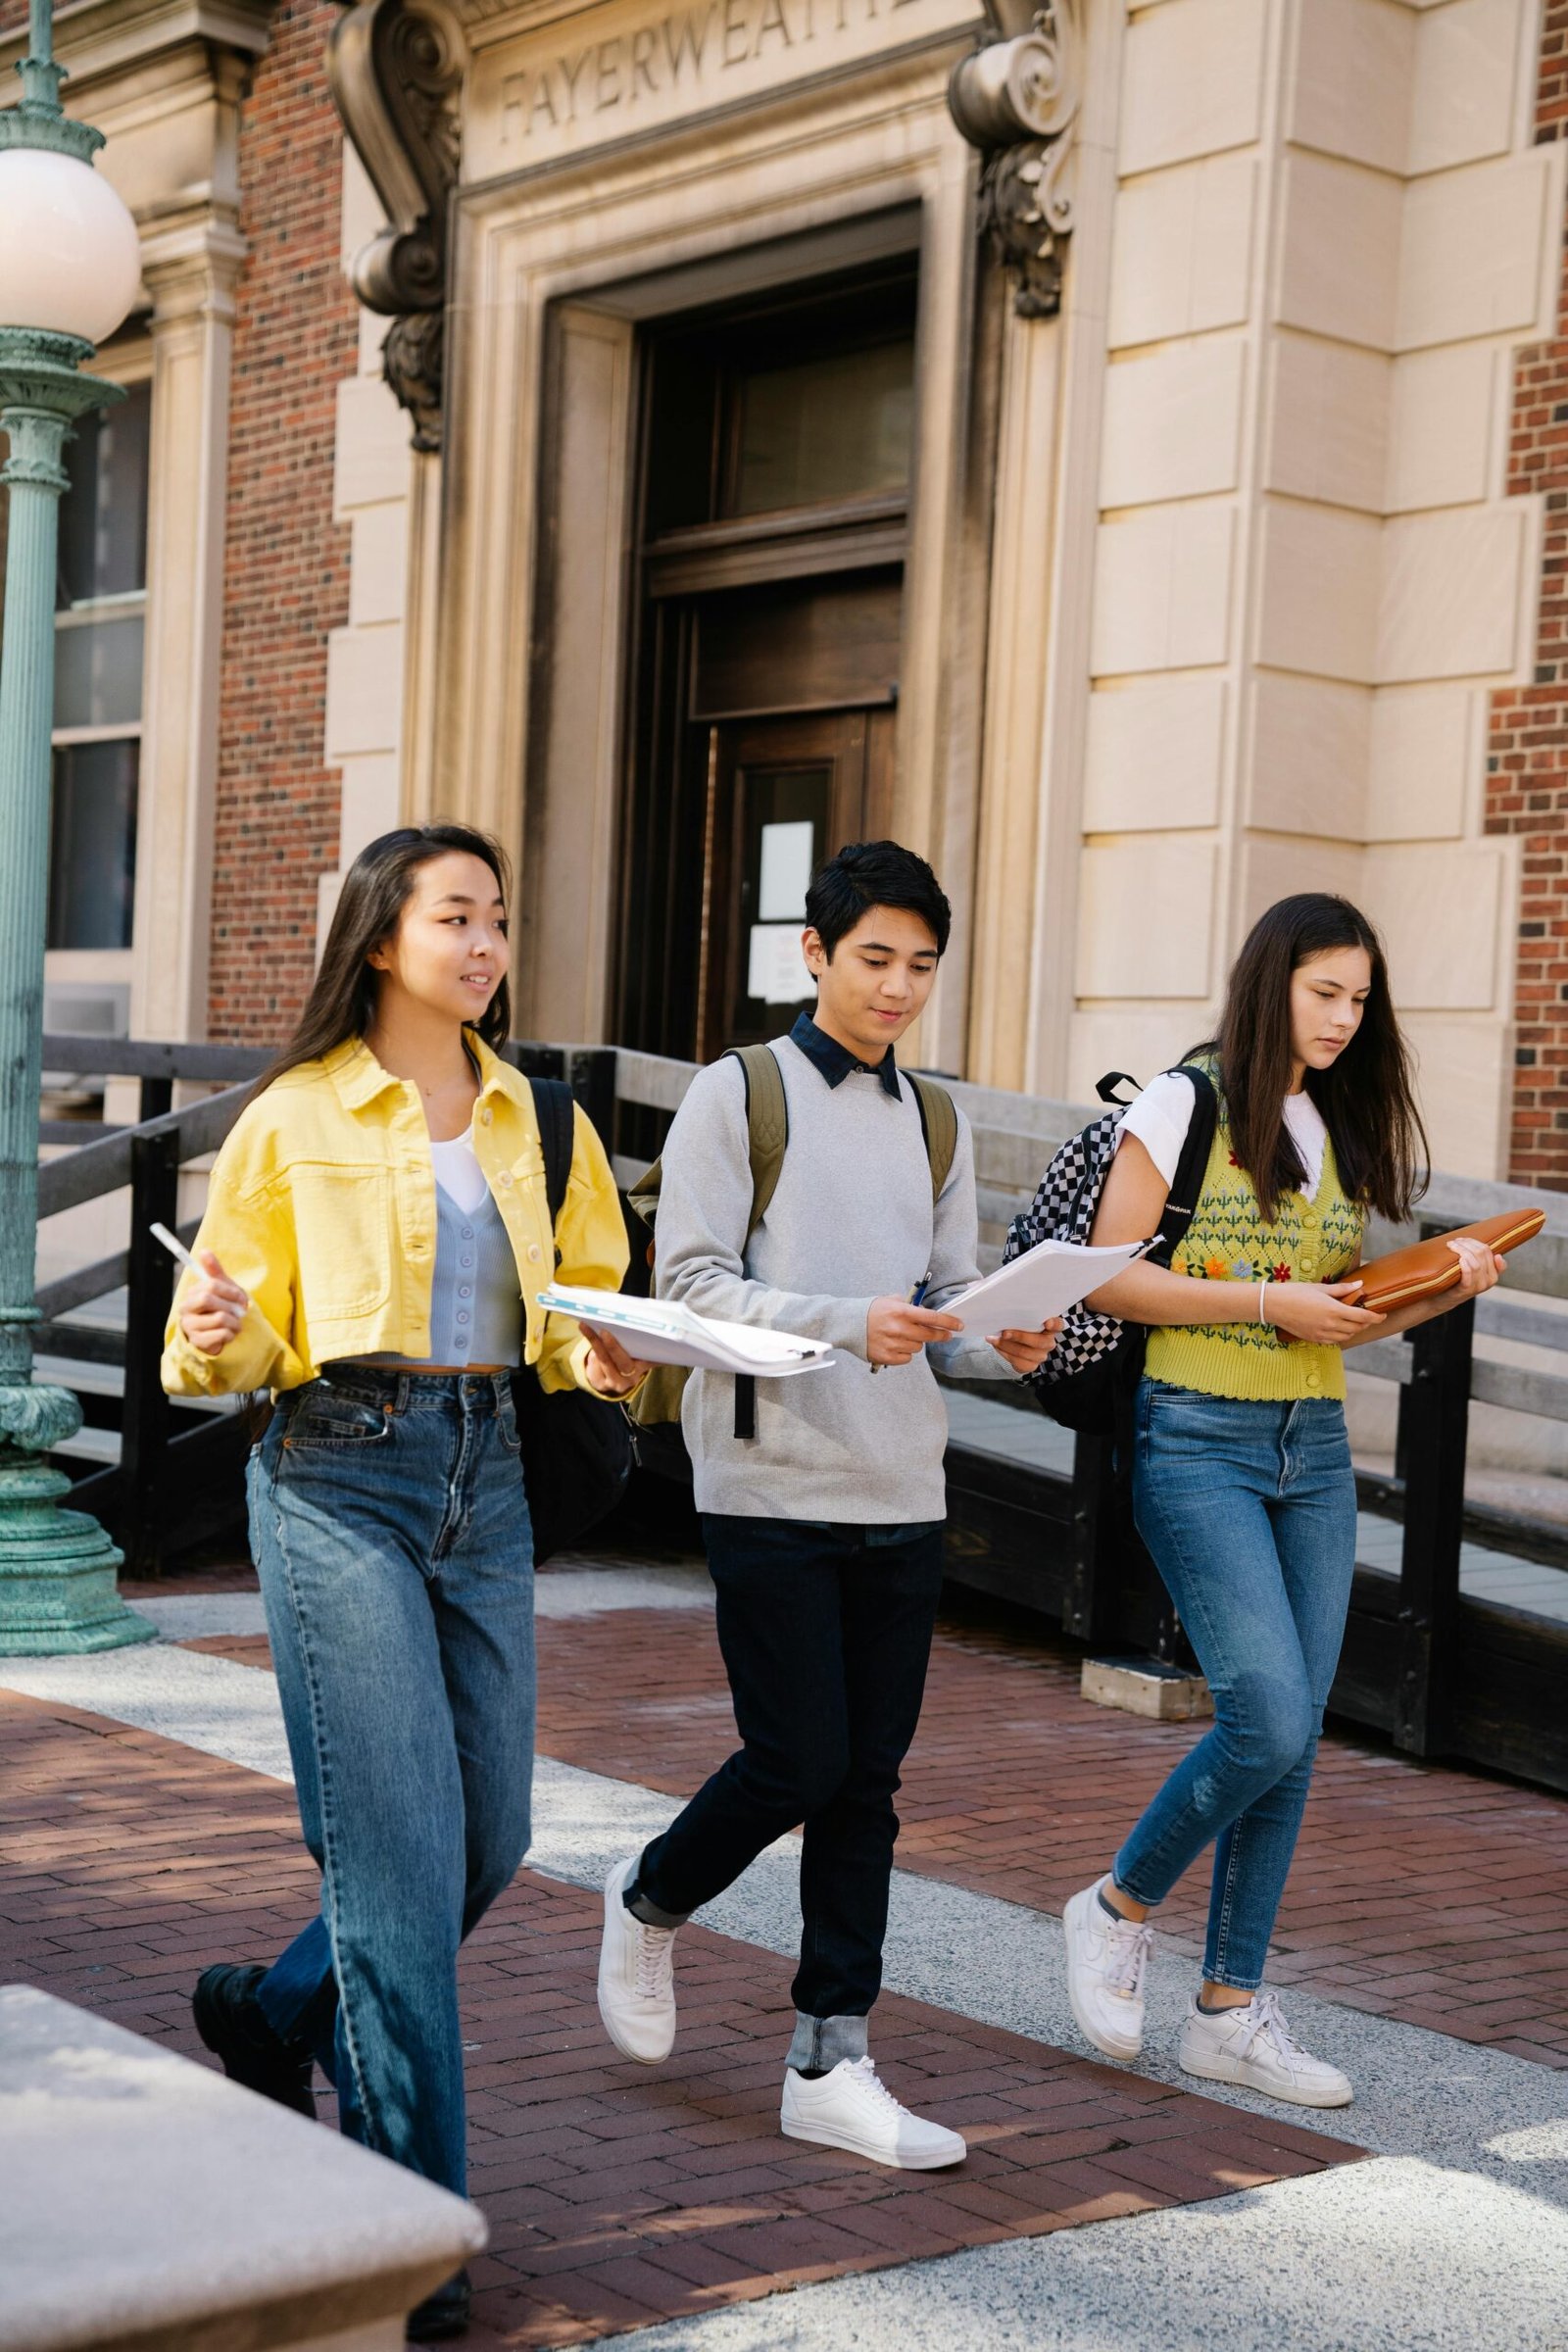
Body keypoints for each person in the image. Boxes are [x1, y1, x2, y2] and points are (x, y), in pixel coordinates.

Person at [161, 823, 650, 2342]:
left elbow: (580, 1307)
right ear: (384, 938)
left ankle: (276, 2008)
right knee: (393, 1856)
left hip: (484, 1472)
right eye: (457, 916)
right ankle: (409, 2231)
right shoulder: (294, 1118)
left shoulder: (529, 1112)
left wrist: (609, 1353)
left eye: (498, 917)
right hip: (334, 1475)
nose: (486, 941)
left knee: (487, 1835)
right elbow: (217, 1354)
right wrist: (215, 1320)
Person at [595, 839, 1059, 2170]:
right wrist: (850, 1321)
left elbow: (946, 1299)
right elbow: (685, 1288)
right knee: (796, 1758)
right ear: (814, 953)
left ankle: (829, 2054)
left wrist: (997, 1337)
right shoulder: (737, 1097)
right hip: (770, 1480)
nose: (900, 988)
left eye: (922, 966)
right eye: (875, 960)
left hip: (902, 1484)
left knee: (867, 1784)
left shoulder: (939, 1117)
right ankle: (649, 1893)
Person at [1061, 892, 1502, 2107]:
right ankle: (1114, 1906)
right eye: (1325, 993)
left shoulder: (1335, 1118)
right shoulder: (1186, 1098)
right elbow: (1116, 1280)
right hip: (1193, 1435)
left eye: (1361, 1000)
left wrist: (1440, 1287)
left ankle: (1227, 2008)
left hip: (1310, 1444)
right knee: (1264, 1715)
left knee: (1295, 1737)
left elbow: (1338, 1314)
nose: (1345, 1020)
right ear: (1272, 982)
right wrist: (1267, 1307)